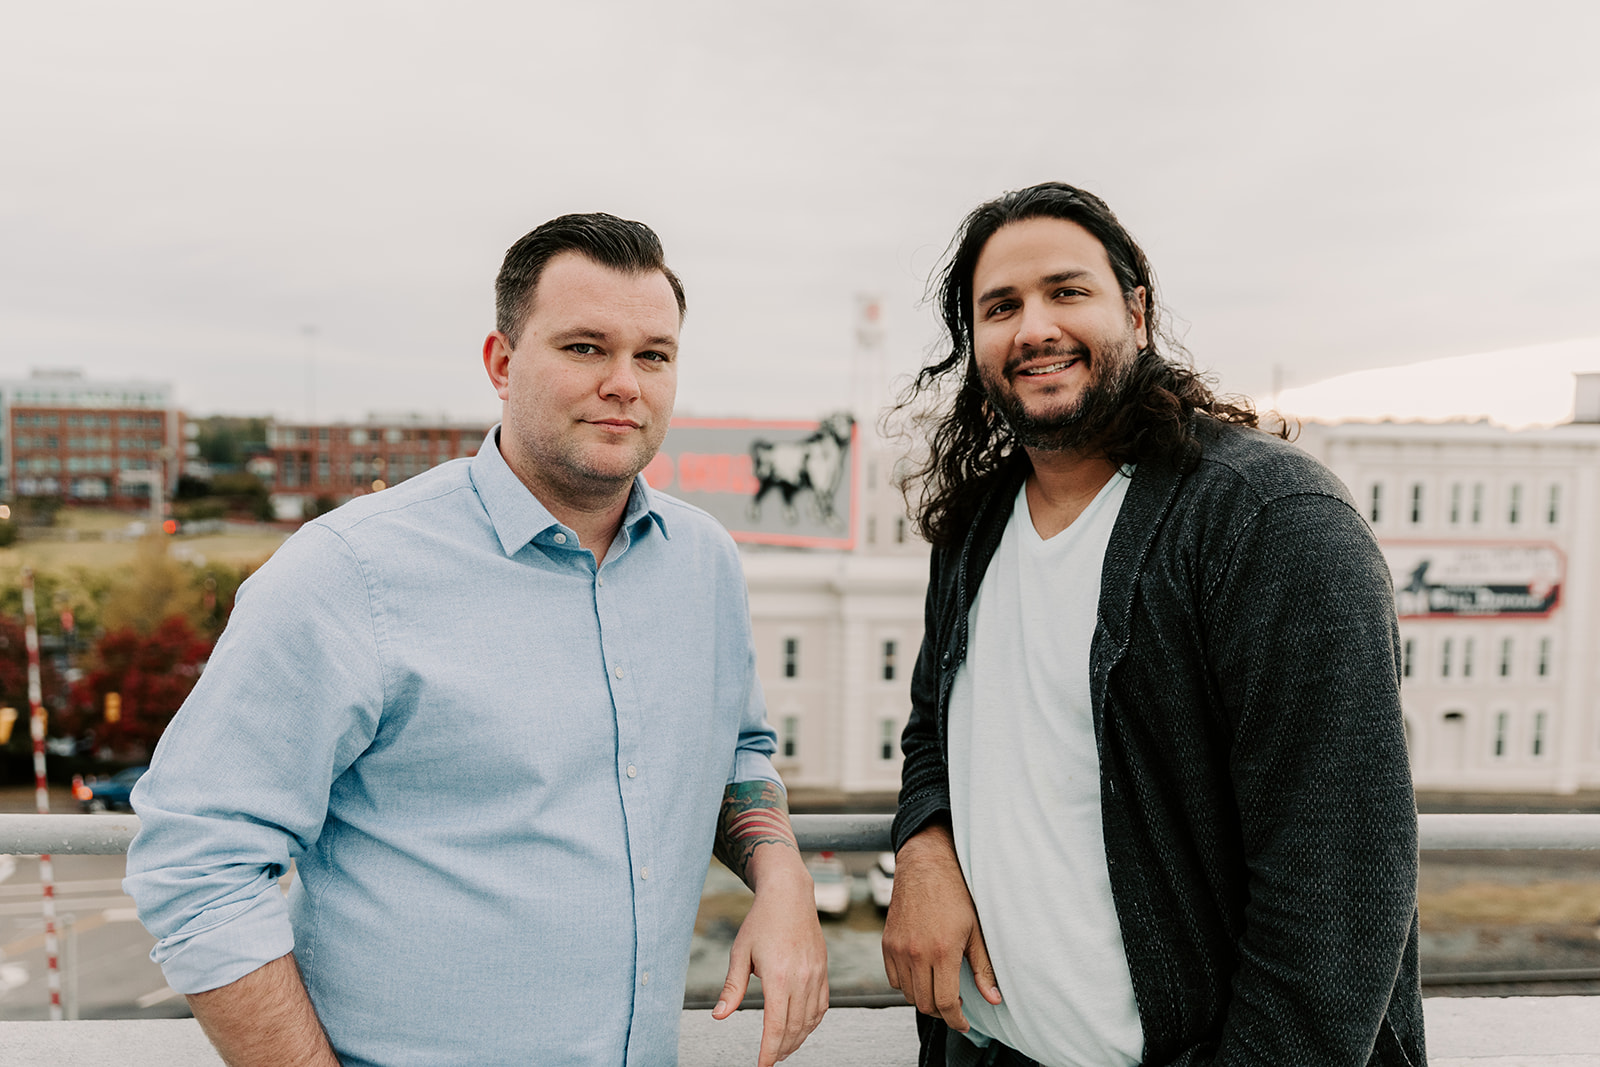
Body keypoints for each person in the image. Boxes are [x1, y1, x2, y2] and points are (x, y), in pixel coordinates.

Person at [125, 213, 828, 1067]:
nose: (624, 383)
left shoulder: (705, 564)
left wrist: (782, 873)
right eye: (583, 347)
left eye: (653, 354)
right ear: (501, 364)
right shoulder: (350, 572)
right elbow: (195, 862)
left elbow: (738, 750)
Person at [881, 182, 1424, 1066]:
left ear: (1136, 312)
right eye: (1001, 307)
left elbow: (1340, 875)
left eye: (1067, 291)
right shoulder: (976, 527)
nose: (1034, 329)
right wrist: (926, 847)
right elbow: (933, 734)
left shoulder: (1267, 521)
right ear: (973, 345)